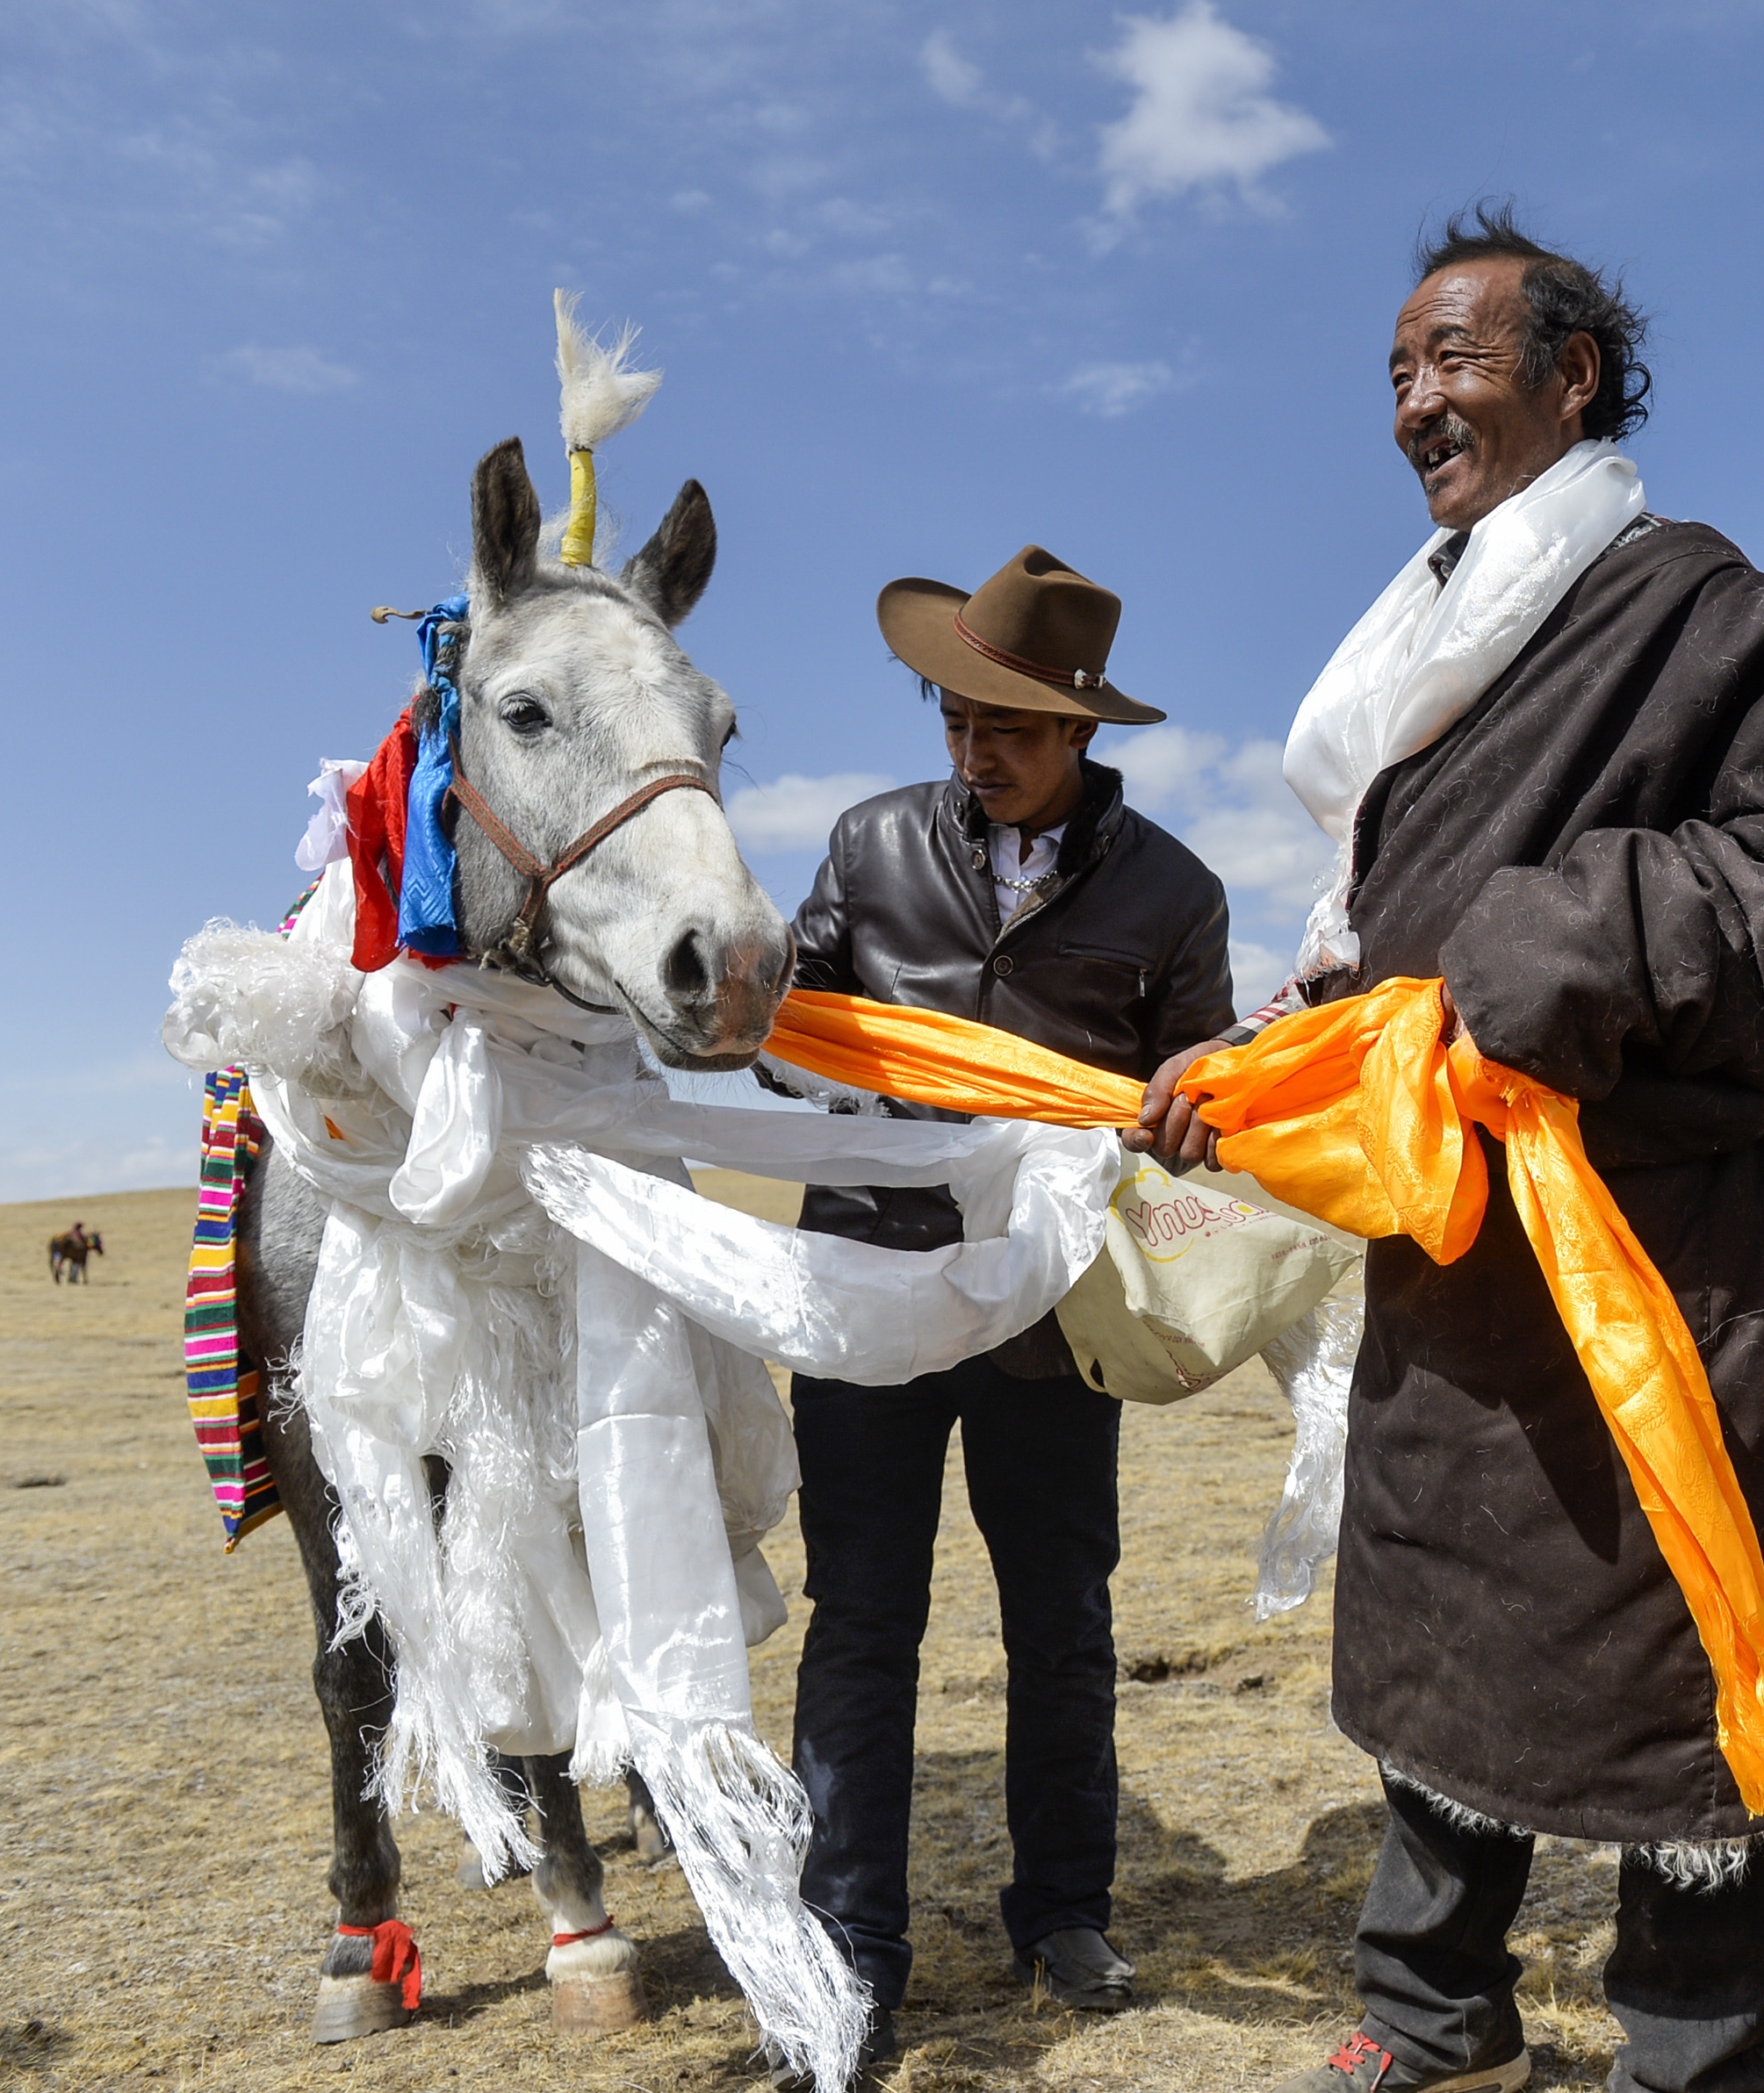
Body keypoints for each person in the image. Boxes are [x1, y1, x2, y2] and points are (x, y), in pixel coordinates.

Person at [1136, 205, 1764, 2093]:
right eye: (1393, 377)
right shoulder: (1415, 665)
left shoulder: (1703, 614)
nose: (1412, 406)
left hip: (1663, 1264)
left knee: (1676, 1650)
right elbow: (1378, 971)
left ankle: (1694, 2054)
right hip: (1459, 1286)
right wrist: (1265, 1060)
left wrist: (1555, 939)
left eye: (1450, 360)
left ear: (1573, 375)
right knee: (1458, 1638)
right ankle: (1437, 2022)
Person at [781, 545, 1235, 2030]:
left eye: (1012, 728)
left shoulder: (1177, 891)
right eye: (955, 720)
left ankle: (1066, 1915)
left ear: (1081, 730)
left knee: (1061, 1618)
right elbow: (779, 1021)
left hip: (1053, 1320)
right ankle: (847, 1939)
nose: (978, 752)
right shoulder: (863, 847)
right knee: (861, 1619)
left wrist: (1195, 1104)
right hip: (863, 1291)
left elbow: (1203, 1093)